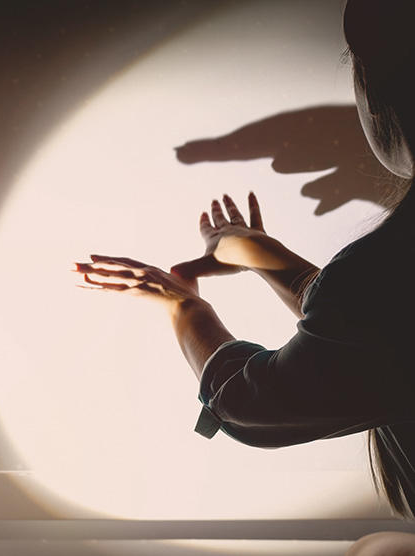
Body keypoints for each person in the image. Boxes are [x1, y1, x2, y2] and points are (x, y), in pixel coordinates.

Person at [76, 1, 415, 554]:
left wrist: (183, 304)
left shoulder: (384, 273)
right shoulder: (388, 276)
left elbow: (256, 405)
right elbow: (378, 333)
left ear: (378, 97)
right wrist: (266, 256)